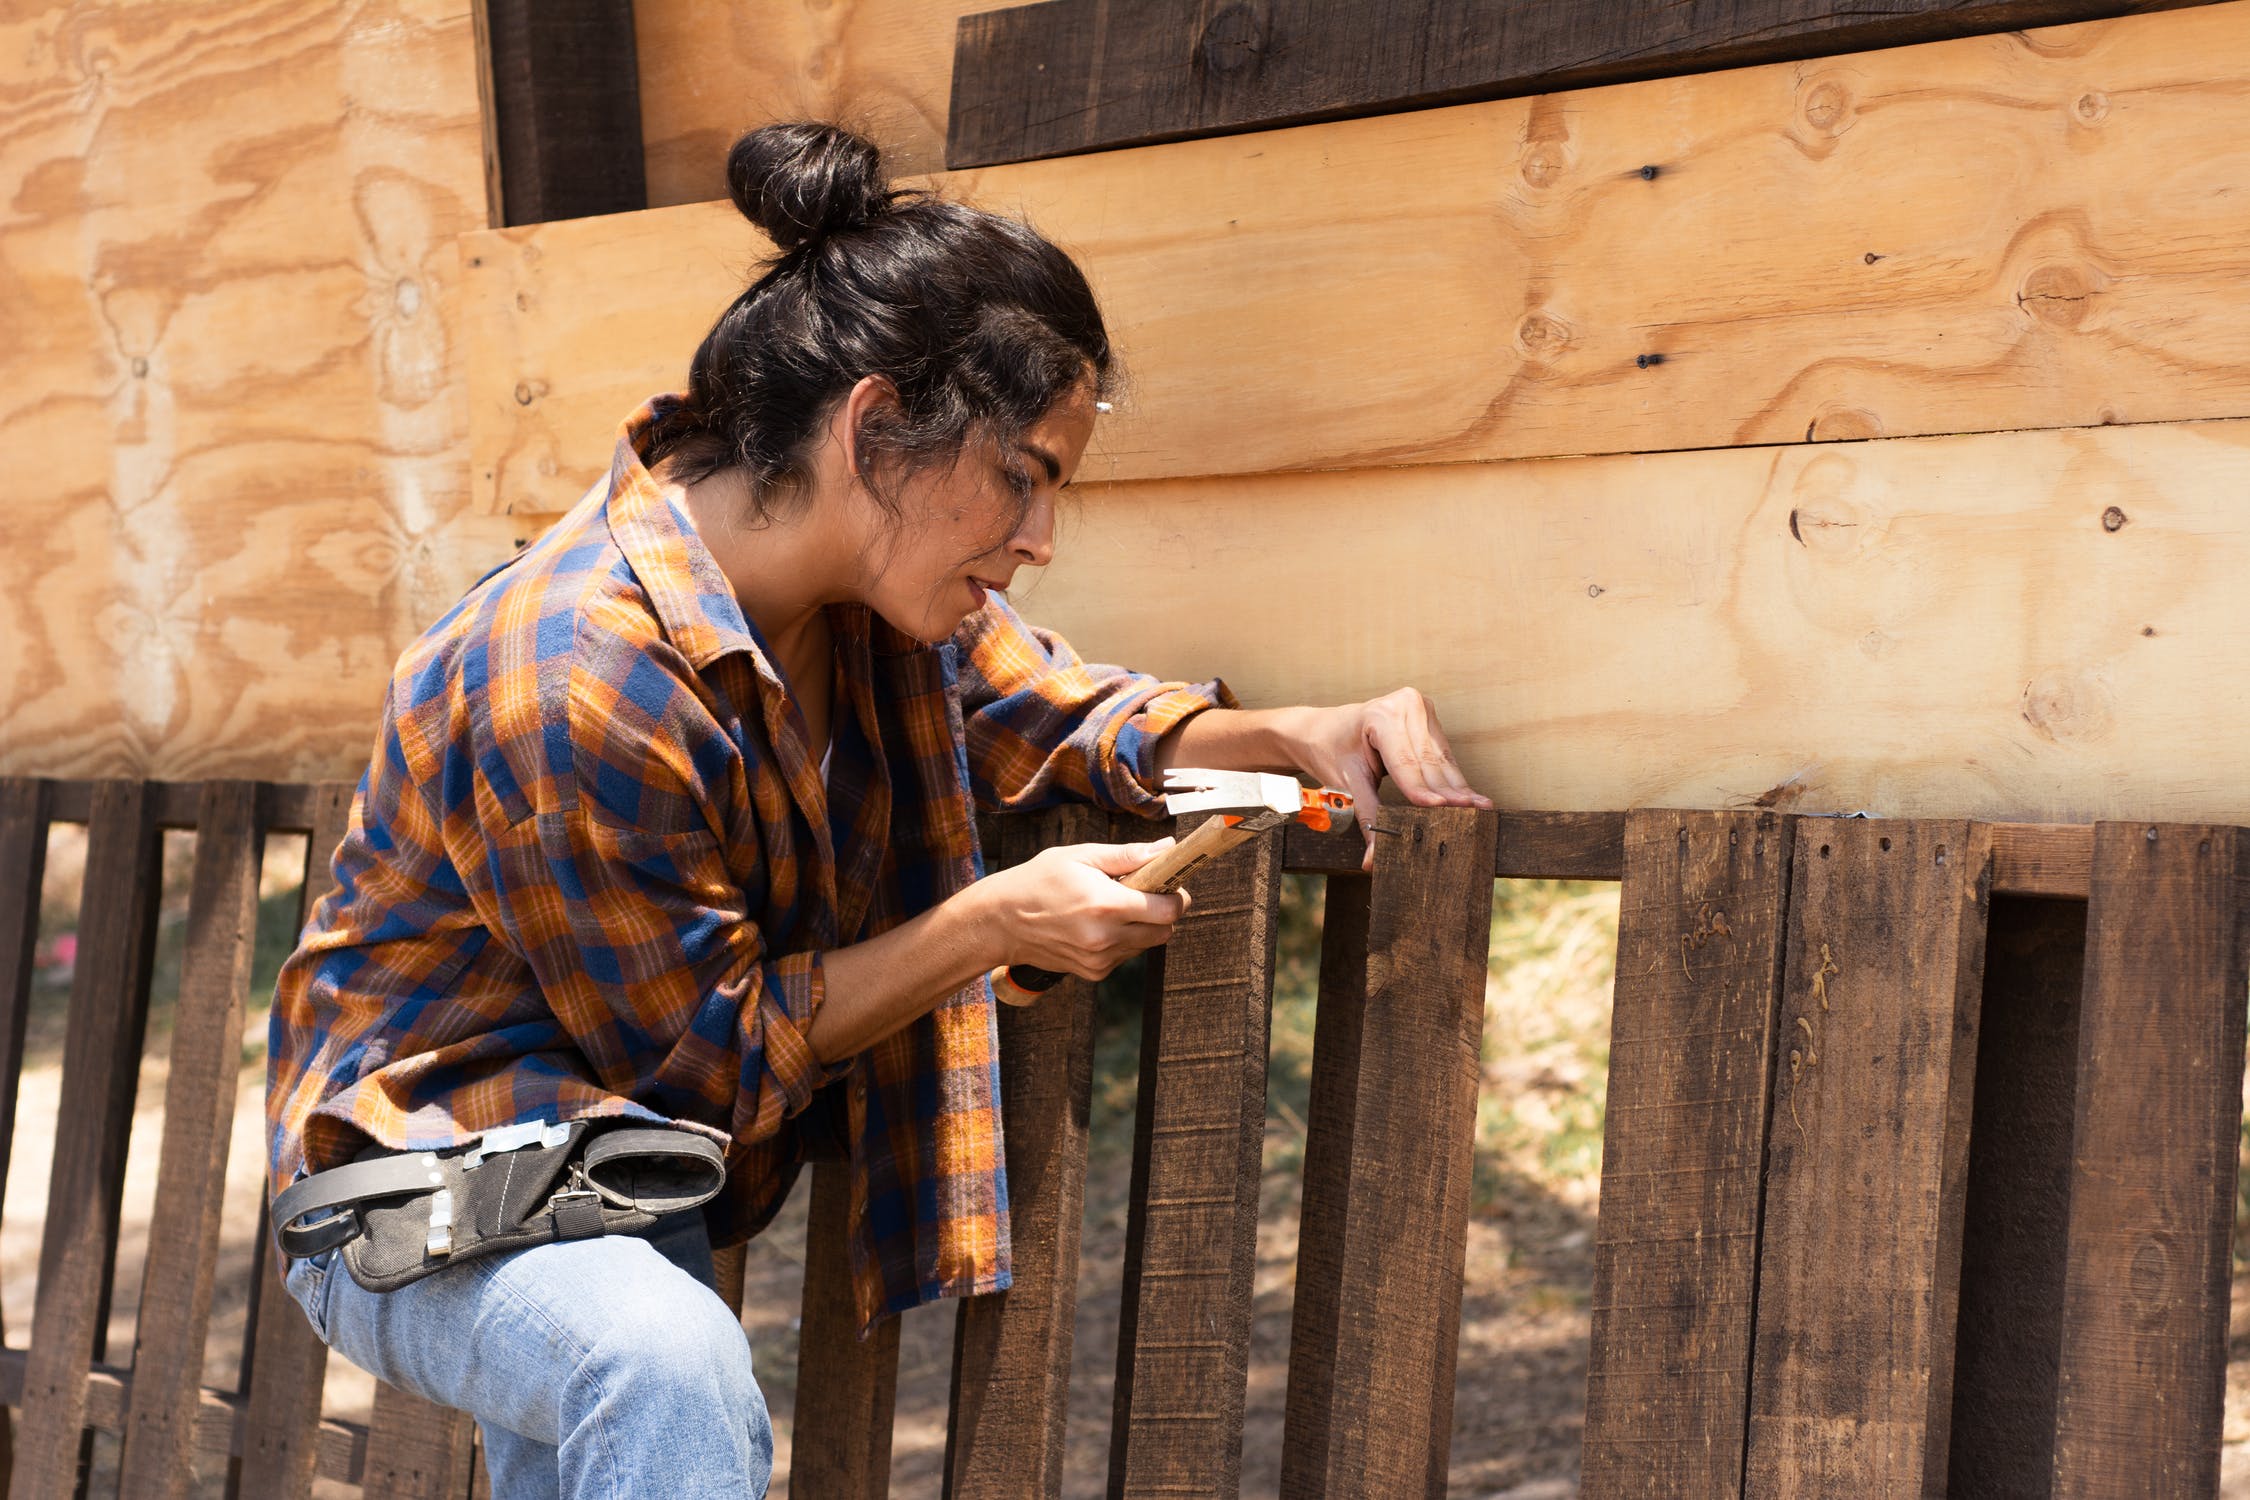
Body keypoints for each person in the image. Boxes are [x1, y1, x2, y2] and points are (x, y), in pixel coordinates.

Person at [264, 120, 1489, 1498]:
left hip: (617, 1179)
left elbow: (1042, 704)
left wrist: (1284, 730)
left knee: (649, 1355)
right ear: (871, 431)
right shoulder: (572, 680)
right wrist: (982, 924)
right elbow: (709, 1066)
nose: (1037, 538)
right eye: (1022, 474)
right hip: (424, 1187)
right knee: (657, 1363)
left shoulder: (862, 602)